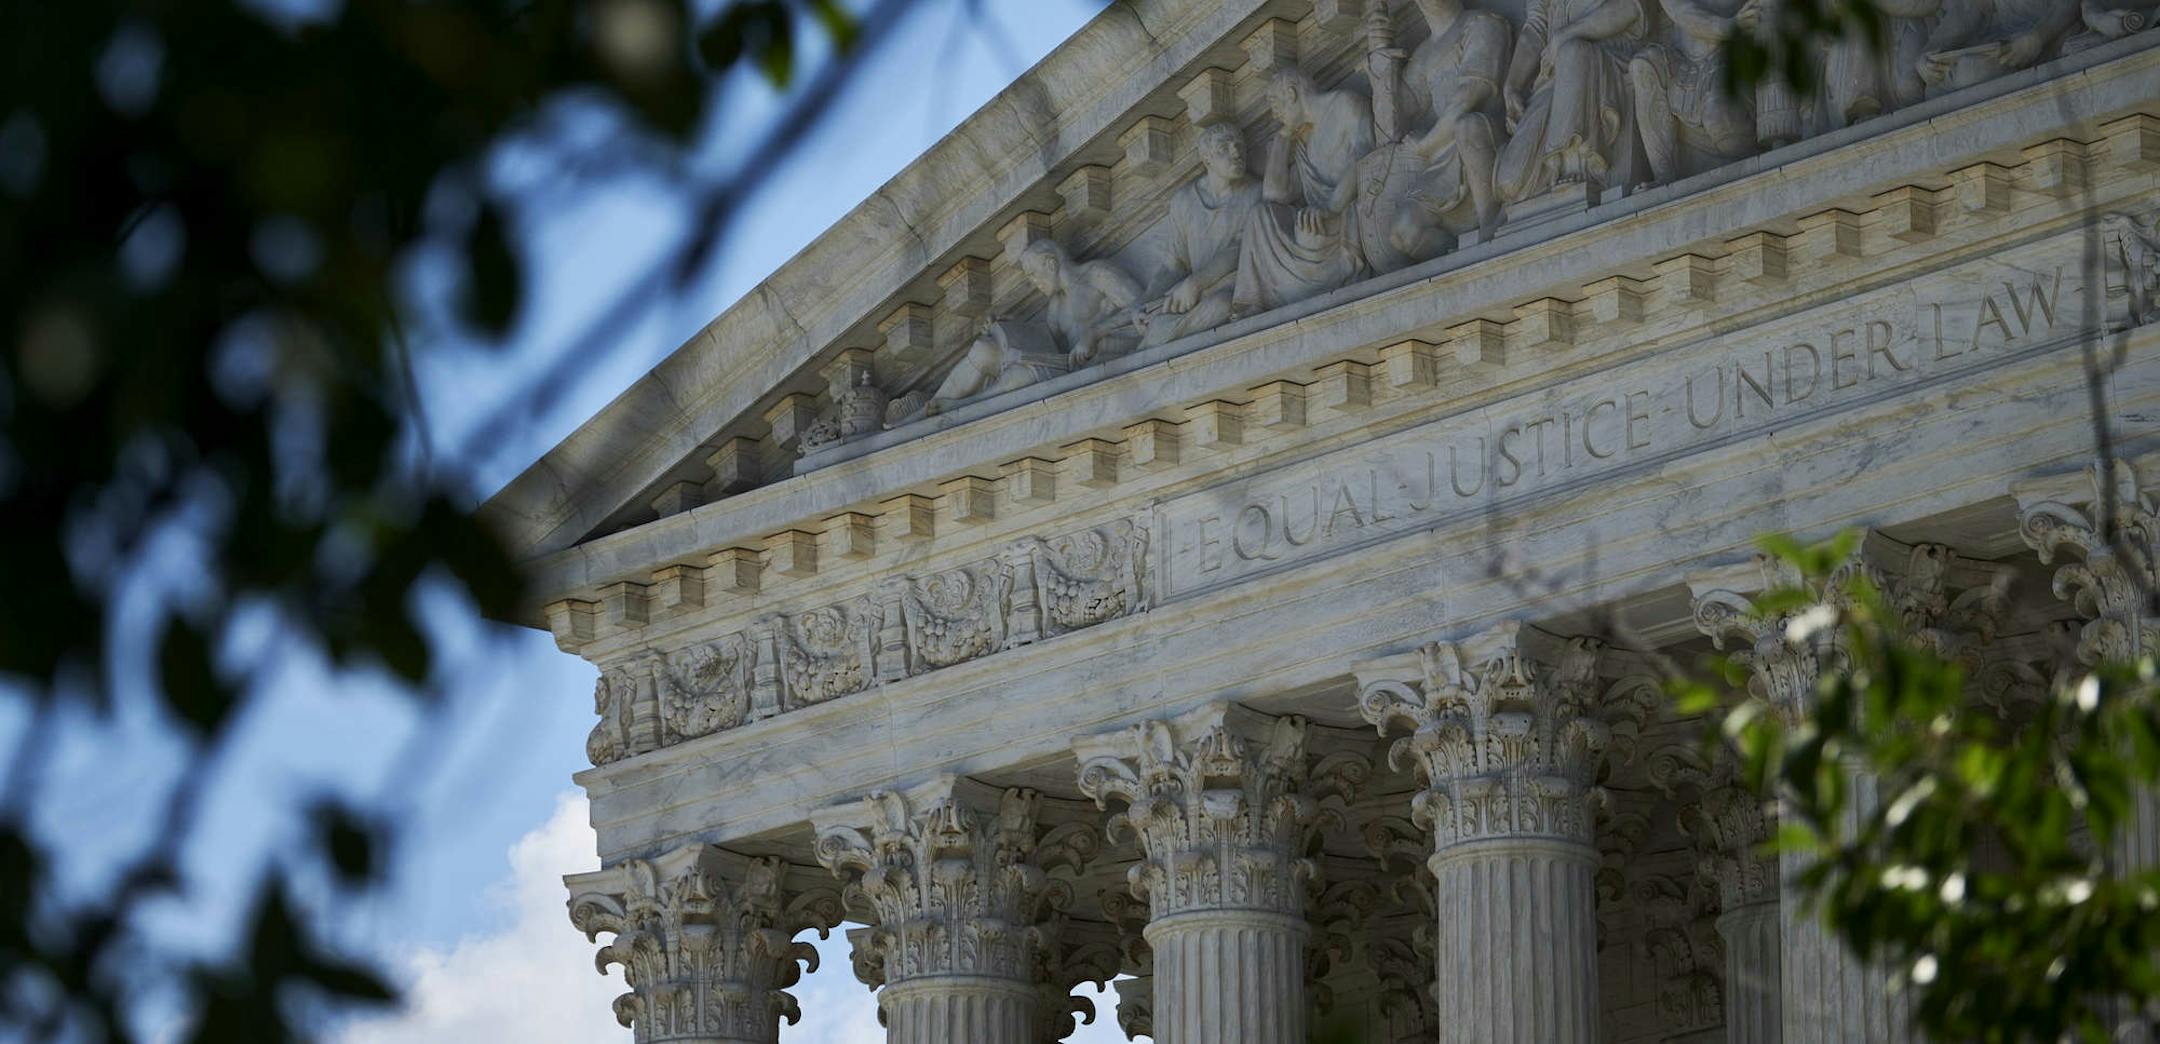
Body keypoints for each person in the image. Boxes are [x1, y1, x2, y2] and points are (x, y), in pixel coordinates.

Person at [1351, 0, 1512, 264]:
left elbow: (1470, 96)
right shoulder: (1425, 53)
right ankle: (1464, 269)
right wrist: (1380, 55)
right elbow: (1393, 126)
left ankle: (1492, 226)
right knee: (1403, 234)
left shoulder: (1483, 23)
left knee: (1467, 125)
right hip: (1443, 164)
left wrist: (1426, 144)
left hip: (1482, 145)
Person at [923, 239, 1140, 413]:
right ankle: (927, 410)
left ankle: (963, 407)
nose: (1033, 283)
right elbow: (1048, 346)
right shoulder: (1056, 305)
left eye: (1033, 274)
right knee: (985, 348)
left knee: (1022, 376)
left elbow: (1141, 305)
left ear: (1050, 263)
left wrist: (1095, 332)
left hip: (1104, 357)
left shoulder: (1097, 274)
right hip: (1069, 364)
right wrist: (1013, 328)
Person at [1233, 68, 1376, 315]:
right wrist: (1284, 136)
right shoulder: (1304, 139)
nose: (1276, 115)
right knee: (1259, 215)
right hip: (1317, 224)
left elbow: (1365, 160)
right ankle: (1254, 302)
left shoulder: (1346, 104)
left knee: (1312, 236)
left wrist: (1331, 208)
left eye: (1276, 106)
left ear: (1291, 94)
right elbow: (1273, 195)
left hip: (1346, 216)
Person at [1494, 0, 1649, 205]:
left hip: (1609, 59)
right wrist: (1512, 84)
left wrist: (1568, 34)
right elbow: (1536, 27)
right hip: (1553, 80)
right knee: (1511, 182)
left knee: (1572, 52)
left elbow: (1631, 7)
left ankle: (1578, 165)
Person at [1137, 121, 1263, 348]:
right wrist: (1144, 304)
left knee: (1222, 306)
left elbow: (1240, 250)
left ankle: (1158, 338)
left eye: (1240, 146)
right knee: (1150, 319)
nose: (1236, 152)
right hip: (1190, 296)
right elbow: (1174, 265)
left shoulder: (1255, 193)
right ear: (1206, 158)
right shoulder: (1184, 201)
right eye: (1224, 147)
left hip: (1232, 285)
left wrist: (1195, 283)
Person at [1631, 0, 1762, 184]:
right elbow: (1682, 11)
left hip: (1732, 55)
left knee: (1721, 120)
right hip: (1682, 62)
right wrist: (1729, 26)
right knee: (1643, 66)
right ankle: (1665, 176)